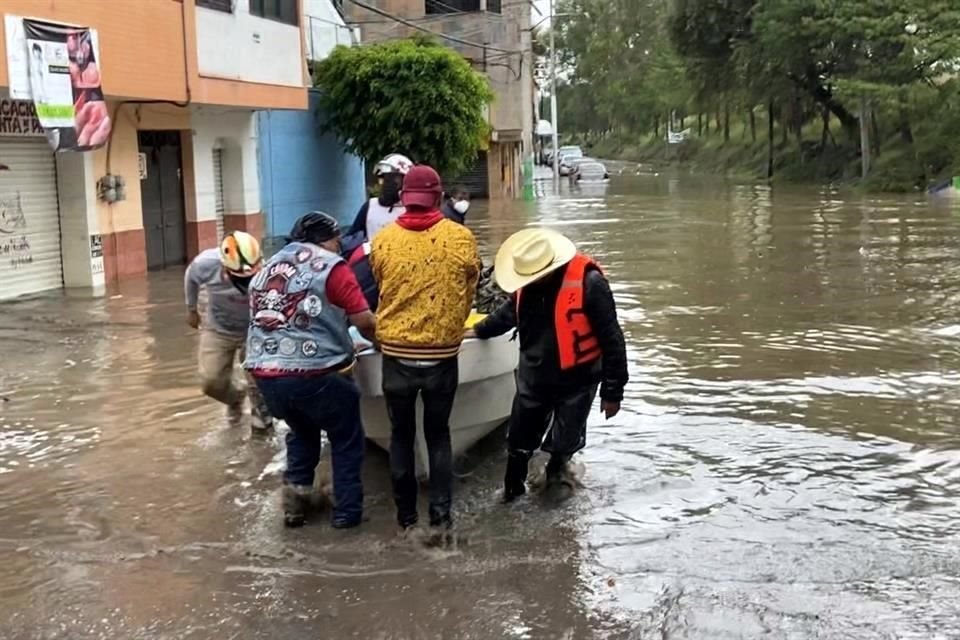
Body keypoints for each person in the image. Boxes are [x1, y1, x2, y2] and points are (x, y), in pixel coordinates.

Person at [469, 228, 628, 502]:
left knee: (564, 442)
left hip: (578, 380)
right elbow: (506, 316)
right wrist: (477, 331)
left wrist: (612, 392)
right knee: (518, 443)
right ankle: (511, 495)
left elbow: (612, 339)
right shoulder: (524, 289)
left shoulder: (589, 283)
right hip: (534, 377)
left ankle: (557, 484)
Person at [245, 212, 377, 529]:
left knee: (302, 433)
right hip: (314, 375)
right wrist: (381, 343)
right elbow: (365, 322)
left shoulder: (266, 269)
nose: (340, 247)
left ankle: (295, 507)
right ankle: (347, 514)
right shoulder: (332, 267)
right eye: (337, 241)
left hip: (265, 375)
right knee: (346, 438)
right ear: (326, 239)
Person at [370, 164, 481, 534]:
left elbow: (379, 281)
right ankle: (441, 517)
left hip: (396, 355)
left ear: (404, 198)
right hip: (442, 355)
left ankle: (405, 519)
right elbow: (471, 283)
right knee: (438, 434)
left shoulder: (384, 239)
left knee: (400, 435)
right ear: (438, 197)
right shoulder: (460, 237)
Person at [184, 231, 273, 433]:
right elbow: (191, 276)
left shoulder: (268, 270)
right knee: (211, 382)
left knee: (258, 384)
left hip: (254, 331)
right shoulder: (205, 264)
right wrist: (191, 309)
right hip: (218, 329)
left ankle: (262, 429)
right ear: (225, 267)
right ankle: (235, 398)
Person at [345, 153, 413, 245]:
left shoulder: (412, 208)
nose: (388, 184)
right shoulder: (370, 206)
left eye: (394, 179)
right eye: (385, 179)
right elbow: (350, 238)